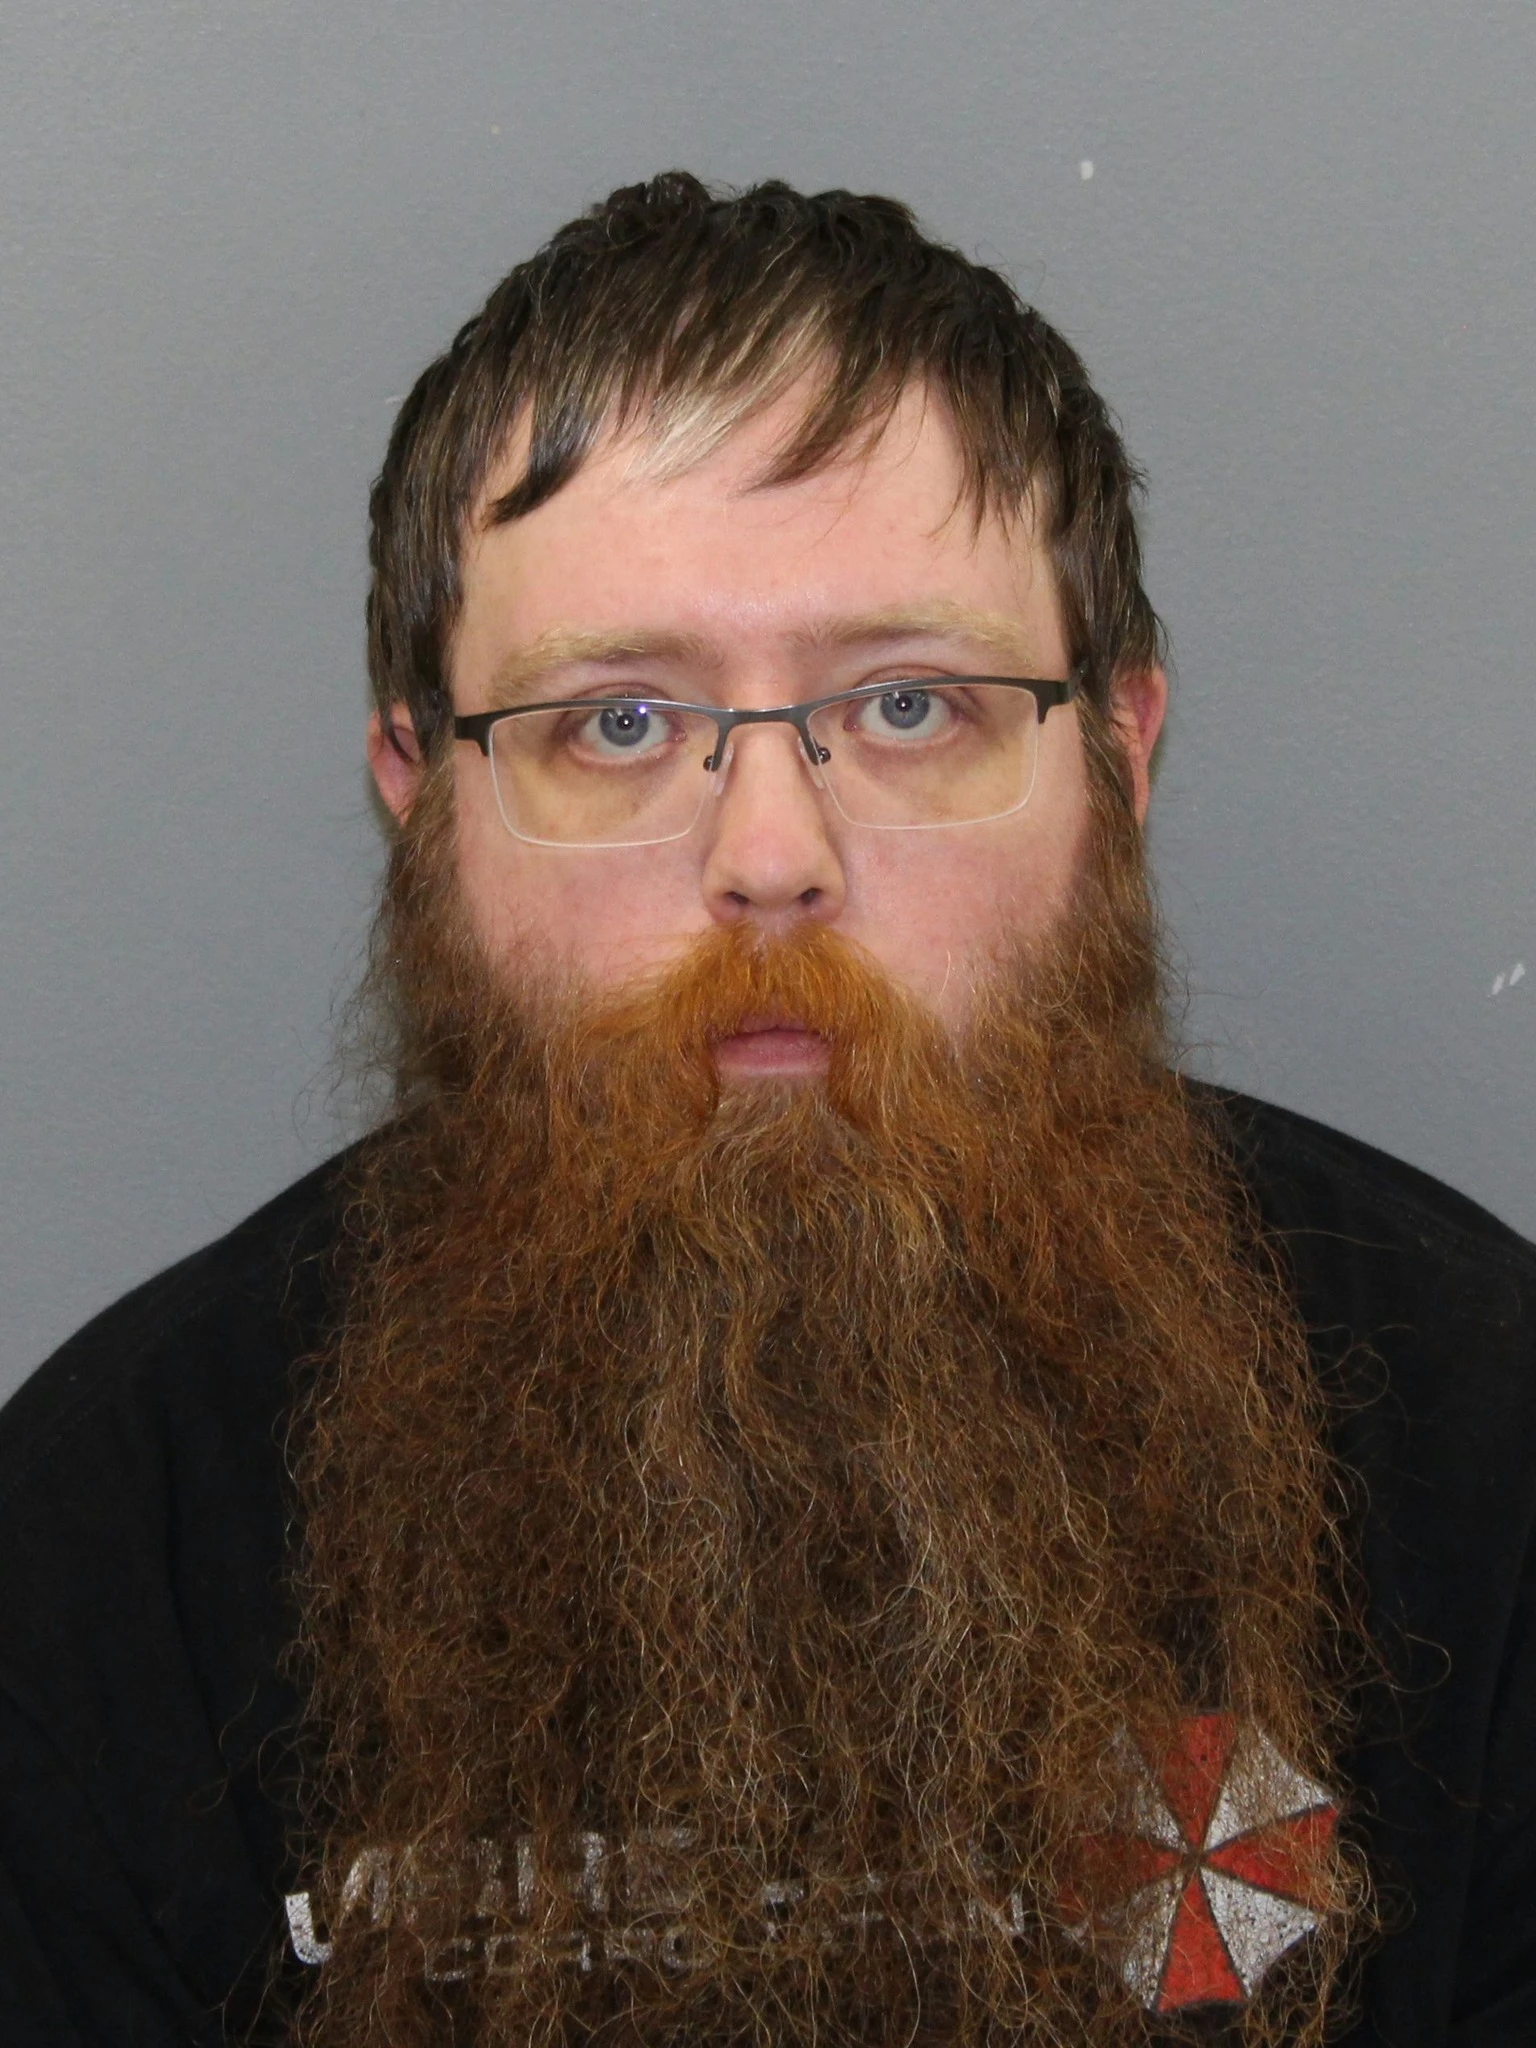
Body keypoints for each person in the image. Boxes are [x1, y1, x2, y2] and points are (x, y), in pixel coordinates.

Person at [0, 173, 1531, 2048]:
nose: (773, 855)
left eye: (910, 706)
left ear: (1121, 756)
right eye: (618, 723)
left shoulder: (1488, 1441)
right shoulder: (106, 1555)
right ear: (423, 798)